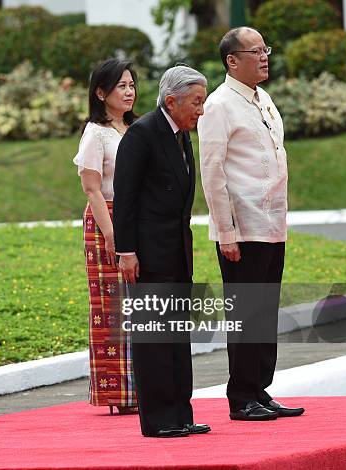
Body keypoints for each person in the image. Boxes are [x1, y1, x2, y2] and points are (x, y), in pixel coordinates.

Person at [197, 27, 304, 421]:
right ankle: (241, 397)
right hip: (241, 229)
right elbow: (213, 172)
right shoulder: (219, 105)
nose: (264, 57)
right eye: (255, 51)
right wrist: (225, 232)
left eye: (265, 50)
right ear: (231, 60)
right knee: (245, 311)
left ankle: (260, 389)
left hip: (271, 223)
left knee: (264, 310)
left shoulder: (264, 98)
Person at [113, 65, 210, 438]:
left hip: (176, 254)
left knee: (176, 337)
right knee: (154, 339)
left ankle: (181, 415)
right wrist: (127, 251)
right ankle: (159, 421)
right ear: (172, 101)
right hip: (148, 256)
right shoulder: (142, 134)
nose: (200, 110)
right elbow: (126, 200)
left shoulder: (181, 134)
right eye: (196, 102)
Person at [73, 58, 138, 415]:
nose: (129, 92)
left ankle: (144, 386)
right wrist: (112, 234)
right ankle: (118, 392)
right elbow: (91, 188)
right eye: (121, 87)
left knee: (141, 303)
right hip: (106, 220)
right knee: (111, 308)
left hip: (137, 218)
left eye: (132, 85)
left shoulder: (137, 128)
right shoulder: (96, 133)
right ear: (101, 93)